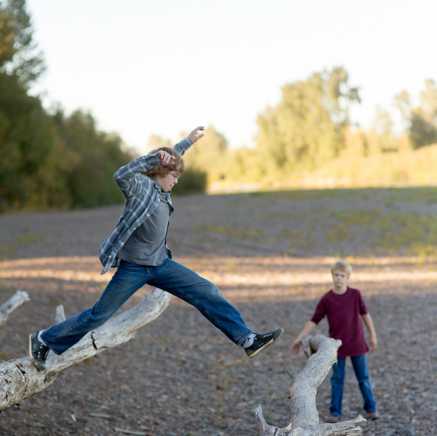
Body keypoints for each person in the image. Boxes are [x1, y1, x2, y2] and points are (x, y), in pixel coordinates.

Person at [28, 126, 282, 371]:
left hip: (161, 265)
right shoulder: (141, 187)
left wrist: (187, 142)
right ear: (159, 171)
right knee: (99, 315)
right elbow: (121, 175)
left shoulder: (163, 190)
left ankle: (248, 339)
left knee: (206, 290)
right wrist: (151, 159)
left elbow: (170, 159)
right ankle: (44, 340)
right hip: (134, 269)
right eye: (174, 176)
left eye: (178, 177)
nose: (175, 182)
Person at [291, 260, 378, 421]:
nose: (338, 278)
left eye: (342, 276)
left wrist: (372, 335)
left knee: (363, 377)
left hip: (357, 343)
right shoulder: (327, 299)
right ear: (332, 276)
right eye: (336, 275)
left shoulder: (355, 295)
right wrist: (299, 338)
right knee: (337, 379)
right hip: (336, 348)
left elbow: (365, 315)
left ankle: (371, 409)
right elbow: (314, 320)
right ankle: (335, 412)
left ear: (348, 278)